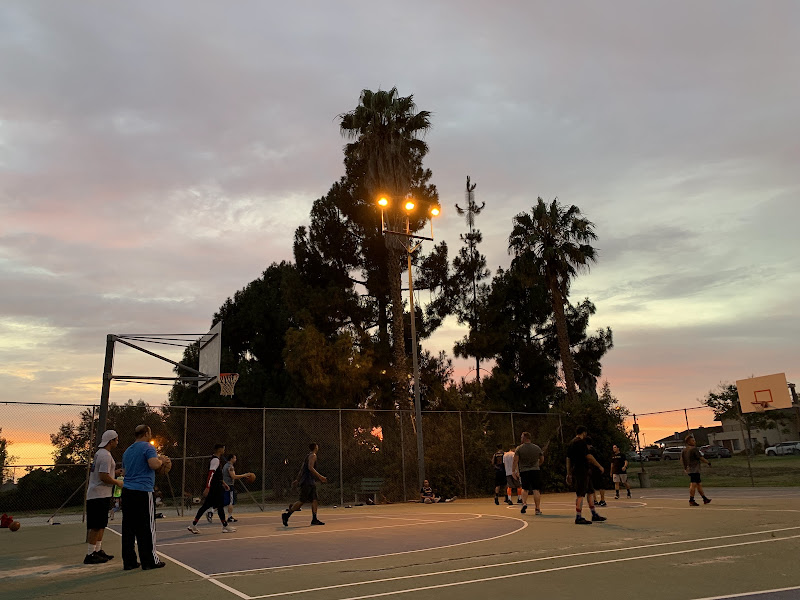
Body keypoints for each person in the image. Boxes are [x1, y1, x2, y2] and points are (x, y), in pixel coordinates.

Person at [121, 424, 165, 570]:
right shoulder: (148, 447)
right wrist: (161, 461)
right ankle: (150, 561)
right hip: (143, 491)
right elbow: (153, 464)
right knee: (146, 527)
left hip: (127, 492)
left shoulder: (128, 450)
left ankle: (129, 561)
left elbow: (124, 472)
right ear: (146, 433)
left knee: (128, 528)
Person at [85, 430, 124, 564]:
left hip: (102, 494)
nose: (117, 442)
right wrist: (117, 482)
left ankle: (97, 550)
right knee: (96, 525)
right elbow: (103, 476)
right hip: (98, 495)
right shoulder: (105, 455)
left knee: (101, 524)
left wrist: (114, 472)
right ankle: (90, 553)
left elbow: (104, 473)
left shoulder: (101, 454)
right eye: (116, 440)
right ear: (110, 441)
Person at [188, 444, 236, 534]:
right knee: (216, 506)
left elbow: (217, 476)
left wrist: (224, 483)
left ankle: (193, 525)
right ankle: (224, 526)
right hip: (215, 488)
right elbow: (211, 474)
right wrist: (207, 487)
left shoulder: (216, 459)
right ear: (219, 449)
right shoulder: (215, 460)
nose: (224, 450)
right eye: (223, 448)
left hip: (216, 486)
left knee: (211, 506)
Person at [566, 426, 606, 525]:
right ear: (584, 433)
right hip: (582, 470)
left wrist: (569, 473)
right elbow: (588, 456)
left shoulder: (571, 443)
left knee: (590, 491)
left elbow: (568, 459)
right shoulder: (581, 442)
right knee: (580, 494)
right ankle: (578, 516)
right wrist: (599, 466)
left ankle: (594, 514)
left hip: (578, 470)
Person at [283, 442, 327, 526]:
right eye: (317, 446)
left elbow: (302, 469)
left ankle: (314, 519)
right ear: (315, 447)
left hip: (309, 481)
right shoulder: (313, 455)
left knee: (314, 500)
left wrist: (297, 479)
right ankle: (287, 515)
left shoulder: (307, 456)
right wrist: (320, 477)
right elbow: (310, 467)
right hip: (307, 481)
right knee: (302, 501)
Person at [512, 431, 544, 515]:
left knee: (525, 488)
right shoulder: (536, 448)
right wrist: (538, 464)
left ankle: (524, 503)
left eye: (521, 437)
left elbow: (515, 460)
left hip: (524, 471)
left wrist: (513, 471)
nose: (520, 439)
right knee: (536, 489)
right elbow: (542, 459)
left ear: (525, 438)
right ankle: (537, 509)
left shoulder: (519, 448)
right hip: (535, 470)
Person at [210, 453, 248, 523]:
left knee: (224, 501)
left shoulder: (225, 465)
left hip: (224, 485)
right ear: (231, 459)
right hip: (229, 485)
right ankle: (229, 517)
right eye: (234, 458)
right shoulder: (230, 467)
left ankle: (212, 511)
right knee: (231, 502)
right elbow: (233, 476)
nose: (236, 459)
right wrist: (244, 475)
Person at [681, 434, 712, 506]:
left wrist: (685, 468)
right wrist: (708, 462)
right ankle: (691, 500)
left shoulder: (684, 450)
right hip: (694, 469)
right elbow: (700, 457)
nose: (694, 442)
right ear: (688, 442)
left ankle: (704, 499)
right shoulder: (694, 449)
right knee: (693, 484)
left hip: (691, 469)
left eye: (694, 440)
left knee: (699, 484)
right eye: (692, 441)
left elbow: (682, 460)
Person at [587, 439, 607, 506]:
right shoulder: (596, 450)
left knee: (593, 484)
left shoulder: (590, 451)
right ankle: (600, 500)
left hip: (594, 468)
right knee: (598, 484)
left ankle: (599, 500)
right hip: (597, 468)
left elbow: (590, 459)